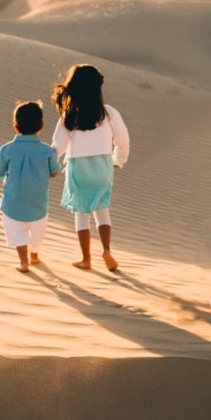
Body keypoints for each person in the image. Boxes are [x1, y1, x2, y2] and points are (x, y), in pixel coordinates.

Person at [51, 64, 130, 271]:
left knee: (81, 213)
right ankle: (107, 250)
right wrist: (118, 159)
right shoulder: (108, 113)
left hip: (78, 169)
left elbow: (56, 147)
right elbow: (123, 139)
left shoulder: (68, 116)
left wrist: (50, 165)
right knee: (102, 210)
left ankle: (86, 258)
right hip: (102, 166)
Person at [0, 101, 61, 273]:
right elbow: (54, 172)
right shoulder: (47, 151)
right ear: (41, 126)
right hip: (38, 206)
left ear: (15, 126)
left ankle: (23, 262)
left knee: (16, 232)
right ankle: (34, 253)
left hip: (13, 204)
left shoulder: (7, 149)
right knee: (37, 233)